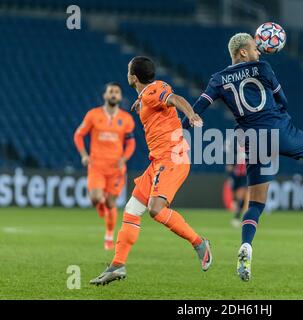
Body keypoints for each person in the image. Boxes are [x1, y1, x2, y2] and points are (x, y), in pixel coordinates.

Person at [182, 33, 303, 282]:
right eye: (254, 47)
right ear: (242, 52)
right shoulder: (263, 68)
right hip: (279, 129)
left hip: (253, 140)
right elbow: (282, 99)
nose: (259, 51)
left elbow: (198, 107)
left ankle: (246, 246)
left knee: (256, 205)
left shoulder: (218, 79)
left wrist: (181, 129)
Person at [90, 56, 212, 286]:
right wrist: (141, 102)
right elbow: (159, 100)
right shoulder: (149, 93)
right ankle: (117, 265)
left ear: (133, 77)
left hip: (172, 158)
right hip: (158, 160)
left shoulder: (154, 92)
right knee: (132, 209)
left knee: (156, 209)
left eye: (128, 71)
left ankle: (199, 244)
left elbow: (175, 99)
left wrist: (191, 115)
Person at [74, 82, 135, 250]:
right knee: (94, 198)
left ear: (120, 97)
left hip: (116, 168)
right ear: (105, 96)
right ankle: (99, 206)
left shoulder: (126, 119)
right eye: (111, 91)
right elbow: (78, 135)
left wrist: (124, 158)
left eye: (117, 92)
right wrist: (84, 156)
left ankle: (109, 235)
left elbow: (131, 143)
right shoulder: (93, 115)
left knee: (110, 203)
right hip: (97, 165)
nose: (114, 94)